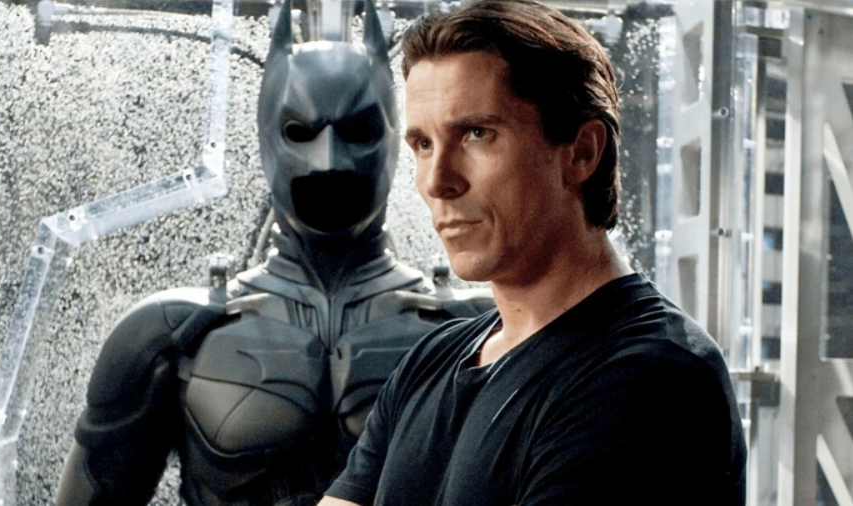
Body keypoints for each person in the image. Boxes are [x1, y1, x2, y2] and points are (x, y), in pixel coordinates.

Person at [53, 1, 493, 504]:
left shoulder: (480, 334)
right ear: (267, 138)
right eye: (301, 132)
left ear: (400, 142)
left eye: (358, 132)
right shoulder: (168, 337)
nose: (328, 162)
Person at [319, 1, 748, 505]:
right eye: (423, 145)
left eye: (476, 134)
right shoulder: (430, 362)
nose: (437, 181)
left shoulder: (652, 378)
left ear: (581, 153)